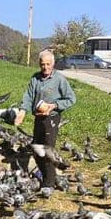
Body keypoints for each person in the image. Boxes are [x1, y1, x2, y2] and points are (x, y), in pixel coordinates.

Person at [19, 50, 76, 192]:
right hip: (38, 117)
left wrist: (54, 106)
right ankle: (43, 174)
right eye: (42, 64)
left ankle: (49, 184)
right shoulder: (35, 78)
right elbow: (28, 96)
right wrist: (22, 110)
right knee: (36, 148)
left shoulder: (60, 80)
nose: (45, 67)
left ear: (53, 64)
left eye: (48, 64)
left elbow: (71, 99)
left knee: (48, 151)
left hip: (51, 118)